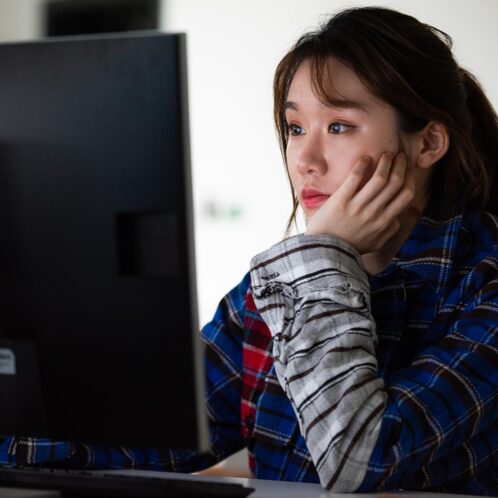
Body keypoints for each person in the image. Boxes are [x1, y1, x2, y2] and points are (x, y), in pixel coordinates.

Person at [2, 5, 498, 495]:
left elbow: (359, 459)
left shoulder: (483, 290)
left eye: (339, 126)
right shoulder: (269, 291)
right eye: (296, 128)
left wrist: (322, 259)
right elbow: (148, 434)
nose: (305, 159)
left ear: (429, 142)